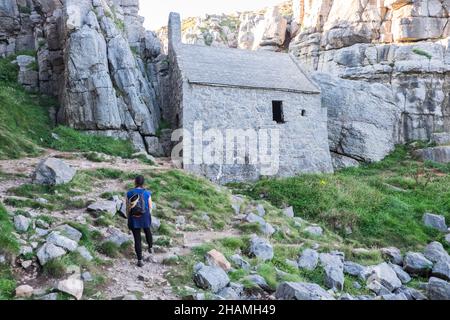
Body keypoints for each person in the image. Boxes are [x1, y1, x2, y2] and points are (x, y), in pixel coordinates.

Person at [126, 175, 153, 267]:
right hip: (145, 215)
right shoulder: (147, 193)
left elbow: (128, 207)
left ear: (135, 182)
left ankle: (140, 260)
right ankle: (150, 247)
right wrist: (148, 215)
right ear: (143, 183)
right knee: (147, 230)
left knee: (137, 238)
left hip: (134, 217)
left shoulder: (129, 193)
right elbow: (150, 207)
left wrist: (128, 217)